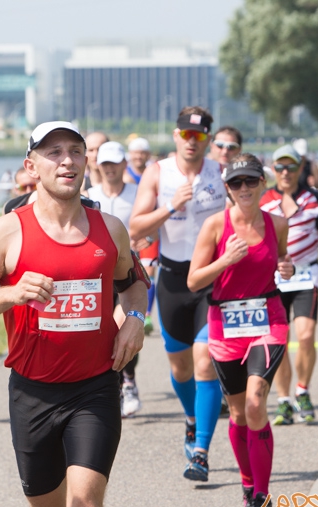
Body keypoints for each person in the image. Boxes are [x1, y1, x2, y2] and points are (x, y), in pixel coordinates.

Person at [0, 121, 147, 507]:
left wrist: (135, 319)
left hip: (94, 387)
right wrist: (11, 293)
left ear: (86, 163)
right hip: (32, 393)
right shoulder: (7, 231)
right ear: (31, 166)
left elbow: (133, 286)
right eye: (53, 152)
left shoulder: (110, 229)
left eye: (75, 151)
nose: (67, 161)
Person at [187, 154, 293, 507]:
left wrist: (287, 266)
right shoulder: (215, 226)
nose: (244, 189)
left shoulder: (277, 222)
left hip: (268, 320)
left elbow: (281, 259)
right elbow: (194, 280)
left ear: (263, 184)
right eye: (236, 183)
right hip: (225, 325)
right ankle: (247, 485)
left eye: (251, 181)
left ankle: (262, 495)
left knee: (254, 402)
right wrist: (225, 260)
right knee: (236, 413)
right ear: (227, 189)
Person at [129, 106, 227, 482]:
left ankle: (200, 450)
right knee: (181, 367)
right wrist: (170, 206)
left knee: (205, 363)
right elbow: (137, 225)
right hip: (171, 279)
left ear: (208, 140)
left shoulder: (220, 174)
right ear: (176, 136)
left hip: (210, 280)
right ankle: (190, 419)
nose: (192, 142)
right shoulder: (158, 173)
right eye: (186, 135)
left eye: (199, 136)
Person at [259, 144, 318, 426]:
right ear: (273, 170)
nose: (285, 172)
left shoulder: (315, 199)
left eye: (291, 167)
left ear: (299, 168)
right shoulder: (264, 199)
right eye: (280, 167)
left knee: (306, 336)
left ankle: (302, 390)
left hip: (306, 277)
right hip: (274, 279)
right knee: (280, 341)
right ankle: (283, 400)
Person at [85, 141, 146, 418]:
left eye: (115, 163)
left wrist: (149, 245)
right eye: (105, 164)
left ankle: (129, 381)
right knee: (102, 330)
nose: (110, 169)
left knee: (124, 323)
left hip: (127, 272)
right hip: (97, 273)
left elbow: (152, 226)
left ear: (125, 164)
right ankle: (113, 385)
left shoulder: (137, 193)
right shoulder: (89, 194)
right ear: (99, 166)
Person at [123, 137, 159, 336]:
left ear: (147, 154)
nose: (138, 156)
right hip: (128, 233)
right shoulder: (125, 175)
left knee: (149, 272)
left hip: (148, 232)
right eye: (135, 153)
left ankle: (146, 314)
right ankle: (128, 312)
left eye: (142, 153)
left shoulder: (153, 173)